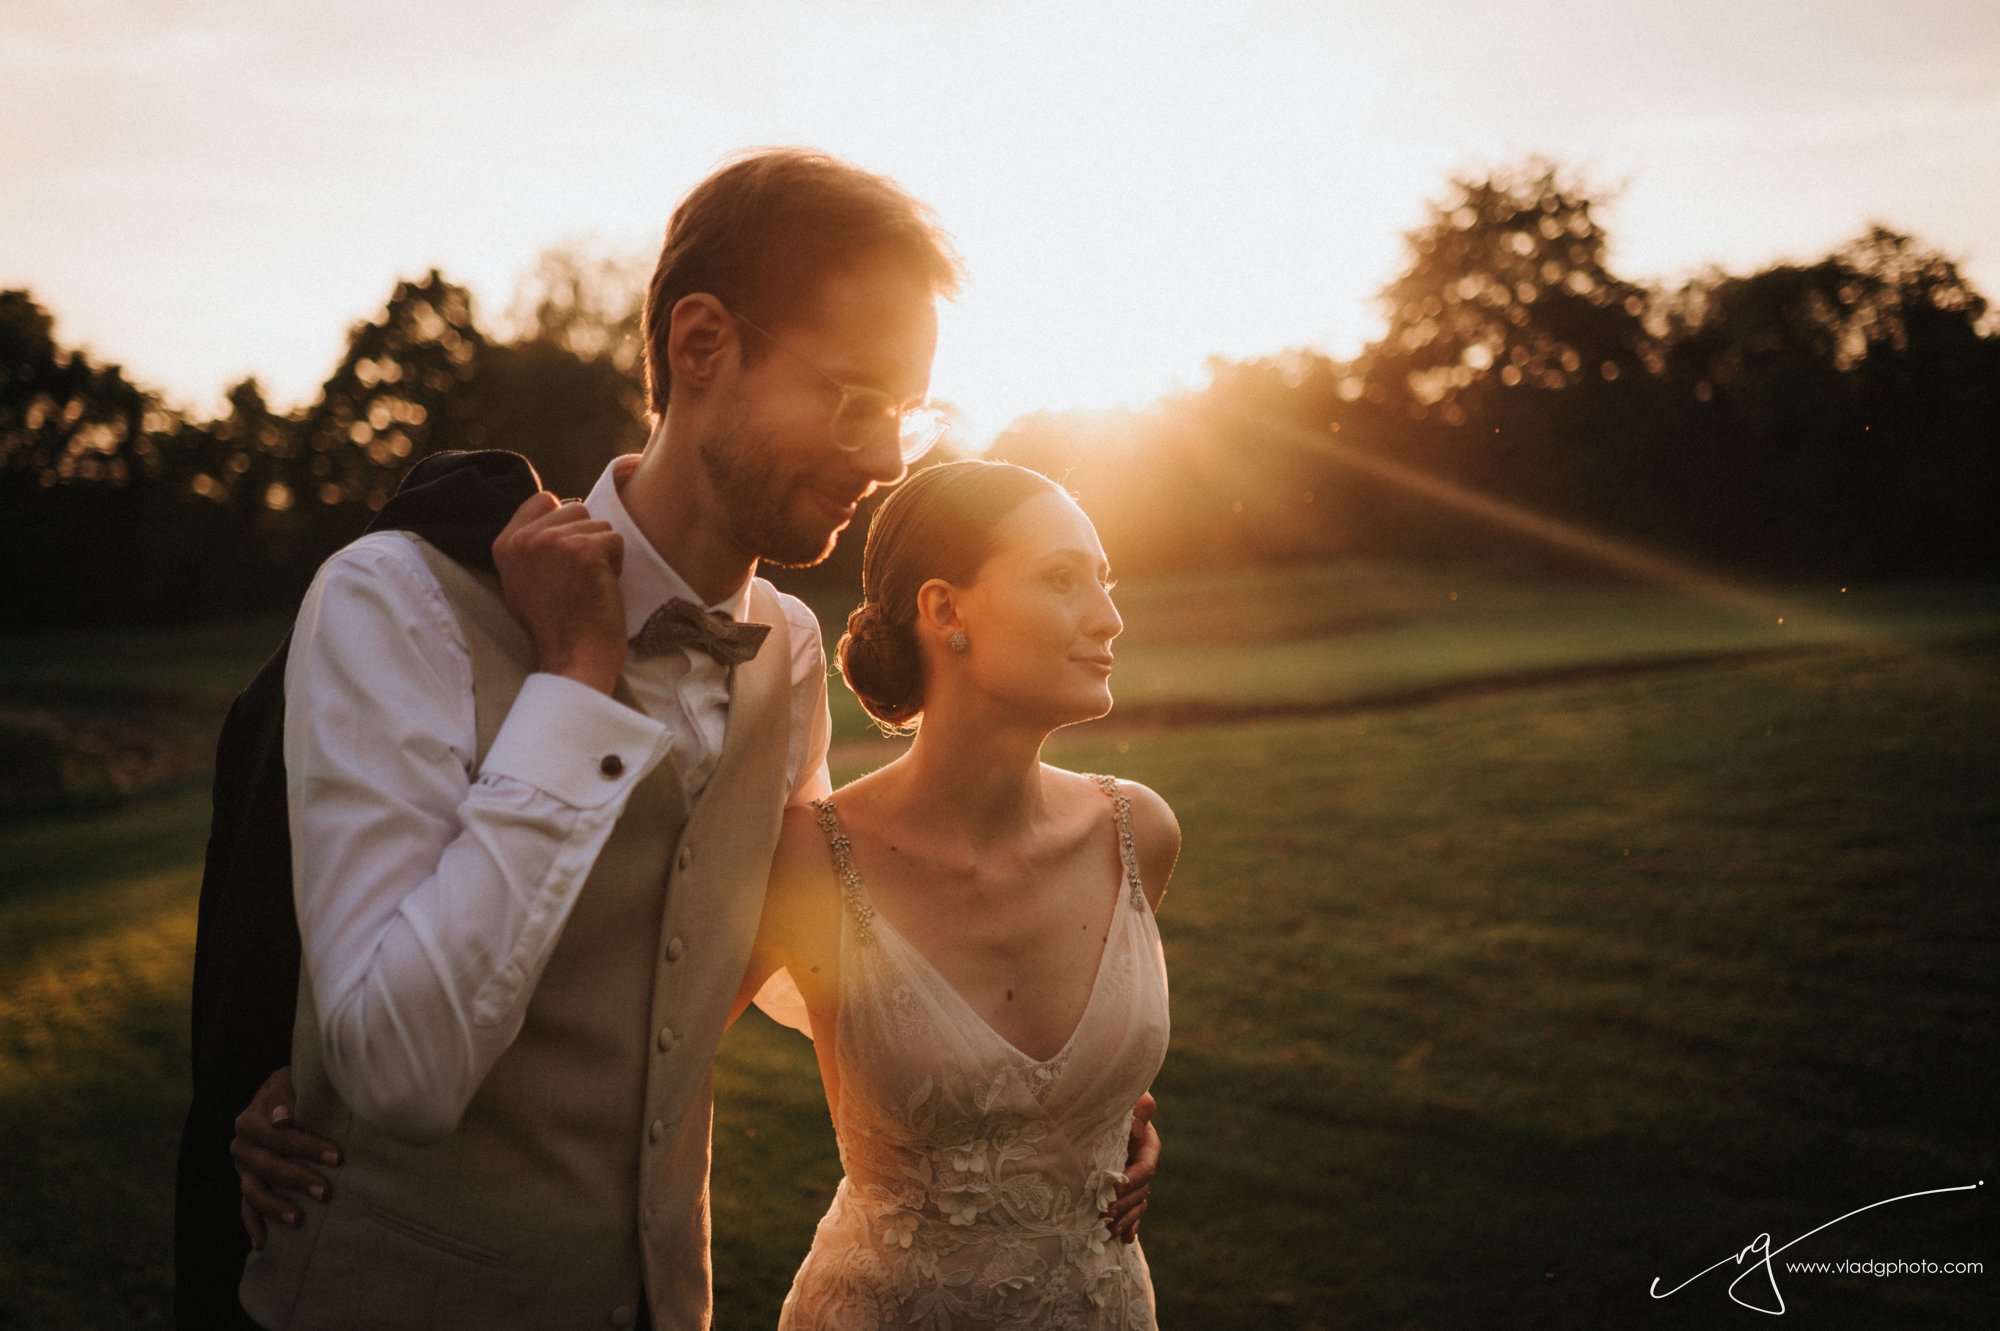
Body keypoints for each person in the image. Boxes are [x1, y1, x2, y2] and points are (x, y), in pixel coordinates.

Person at [219, 150, 1160, 1331]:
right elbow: (397, 1069)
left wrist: (1057, 1094)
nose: (882, 457)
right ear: (701, 344)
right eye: (854, 395)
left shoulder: (788, 650)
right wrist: (574, 683)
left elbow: (775, 949)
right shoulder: (396, 602)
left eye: (906, 414)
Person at [735, 459, 1178, 1329]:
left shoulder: (1139, 835)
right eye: (1061, 578)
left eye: (1105, 579)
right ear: (946, 612)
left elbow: (1051, 1093)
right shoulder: (812, 864)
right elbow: (654, 1078)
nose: (1109, 615)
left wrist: (1108, 1121)